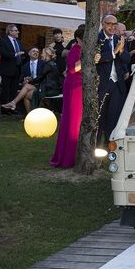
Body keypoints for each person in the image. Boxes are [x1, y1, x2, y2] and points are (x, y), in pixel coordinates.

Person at [50, 26, 84, 168]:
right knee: (72, 122)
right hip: (73, 87)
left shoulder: (83, 50)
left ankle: (76, 154)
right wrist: (88, 60)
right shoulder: (74, 50)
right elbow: (72, 69)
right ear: (78, 38)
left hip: (81, 86)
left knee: (77, 122)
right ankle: (67, 157)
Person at [96, 14, 131, 142]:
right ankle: (95, 146)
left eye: (114, 24)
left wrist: (121, 51)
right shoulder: (96, 39)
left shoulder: (118, 39)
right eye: (109, 23)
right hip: (102, 84)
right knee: (99, 118)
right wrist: (114, 52)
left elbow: (127, 59)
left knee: (113, 117)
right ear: (103, 23)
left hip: (117, 84)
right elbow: (97, 59)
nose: (112, 26)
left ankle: (110, 145)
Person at [1, 47, 62, 113]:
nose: (41, 55)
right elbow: (24, 78)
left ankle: (14, 103)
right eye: (34, 51)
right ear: (29, 53)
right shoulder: (50, 63)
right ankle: (28, 114)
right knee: (26, 92)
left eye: (42, 53)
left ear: (47, 54)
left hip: (49, 89)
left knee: (27, 91)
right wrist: (26, 80)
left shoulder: (47, 64)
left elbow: (39, 77)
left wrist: (29, 81)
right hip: (46, 87)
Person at [0, 24, 26, 105]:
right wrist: (15, 54)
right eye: (16, 30)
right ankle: (4, 107)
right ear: (10, 31)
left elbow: (23, 52)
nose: (18, 32)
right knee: (6, 89)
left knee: (14, 89)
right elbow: (3, 53)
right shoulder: (3, 41)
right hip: (7, 69)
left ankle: (11, 106)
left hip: (17, 69)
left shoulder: (18, 42)